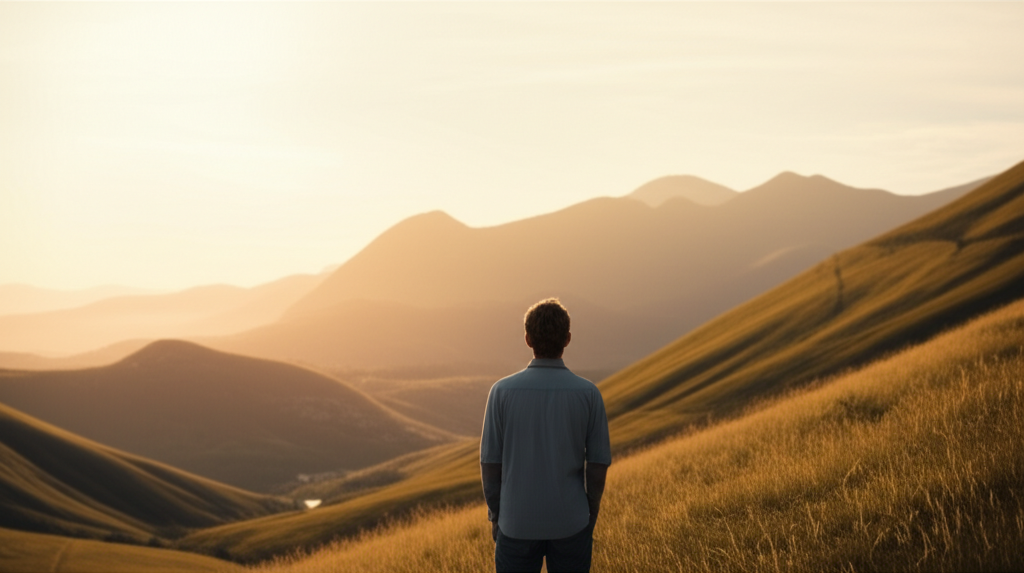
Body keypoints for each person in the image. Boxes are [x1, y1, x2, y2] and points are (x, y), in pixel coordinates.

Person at [480, 298, 612, 573]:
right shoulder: (588, 394)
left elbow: (490, 465)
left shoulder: (501, 393)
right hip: (571, 522)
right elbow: (597, 465)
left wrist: (496, 516)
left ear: (527, 339)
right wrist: (590, 514)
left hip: (516, 523)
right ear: (568, 339)